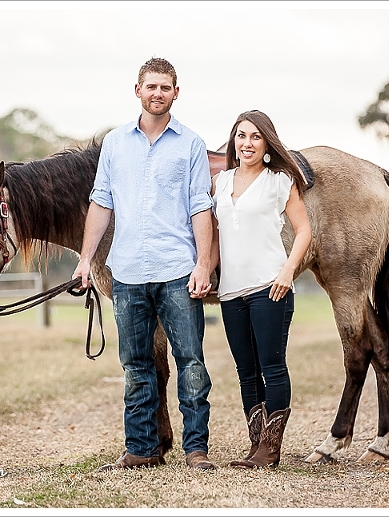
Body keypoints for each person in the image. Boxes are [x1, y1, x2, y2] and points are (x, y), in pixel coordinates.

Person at [73, 57, 216, 471]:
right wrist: (85, 260)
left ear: (176, 92)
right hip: (128, 273)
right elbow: (101, 201)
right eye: (150, 86)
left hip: (176, 270)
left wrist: (203, 264)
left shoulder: (190, 143)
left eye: (165, 87)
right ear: (137, 90)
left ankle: (196, 449)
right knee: (136, 366)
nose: (157, 94)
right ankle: (141, 449)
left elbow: (200, 205)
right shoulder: (115, 144)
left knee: (191, 363)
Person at [210, 110, 312, 469]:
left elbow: (304, 231)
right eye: (241, 136)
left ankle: (270, 449)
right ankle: (256, 445)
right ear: (233, 141)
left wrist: (288, 271)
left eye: (255, 136)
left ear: (267, 142)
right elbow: (216, 235)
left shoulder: (280, 180)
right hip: (230, 292)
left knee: (272, 366)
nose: (247, 143)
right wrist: (206, 270)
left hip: (271, 287)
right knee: (246, 371)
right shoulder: (221, 183)